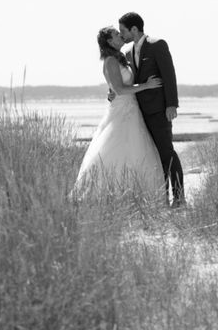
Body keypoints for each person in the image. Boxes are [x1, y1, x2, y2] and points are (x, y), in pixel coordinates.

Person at [72, 26, 165, 200]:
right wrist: (147, 85)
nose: (120, 35)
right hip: (122, 110)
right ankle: (109, 195)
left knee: (136, 149)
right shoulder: (110, 61)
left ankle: (137, 194)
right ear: (109, 41)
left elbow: (116, 87)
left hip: (131, 108)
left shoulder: (120, 58)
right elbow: (120, 89)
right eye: (116, 34)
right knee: (117, 149)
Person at [116, 12, 186, 208]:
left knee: (166, 152)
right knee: (152, 155)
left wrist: (172, 104)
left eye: (123, 31)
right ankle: (162, 198)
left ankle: (179, 197)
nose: (121, 35)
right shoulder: (128, 52)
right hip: (139, 112)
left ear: (134, 29)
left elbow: (169, 75)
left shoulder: (157, 45)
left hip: (159, 110)